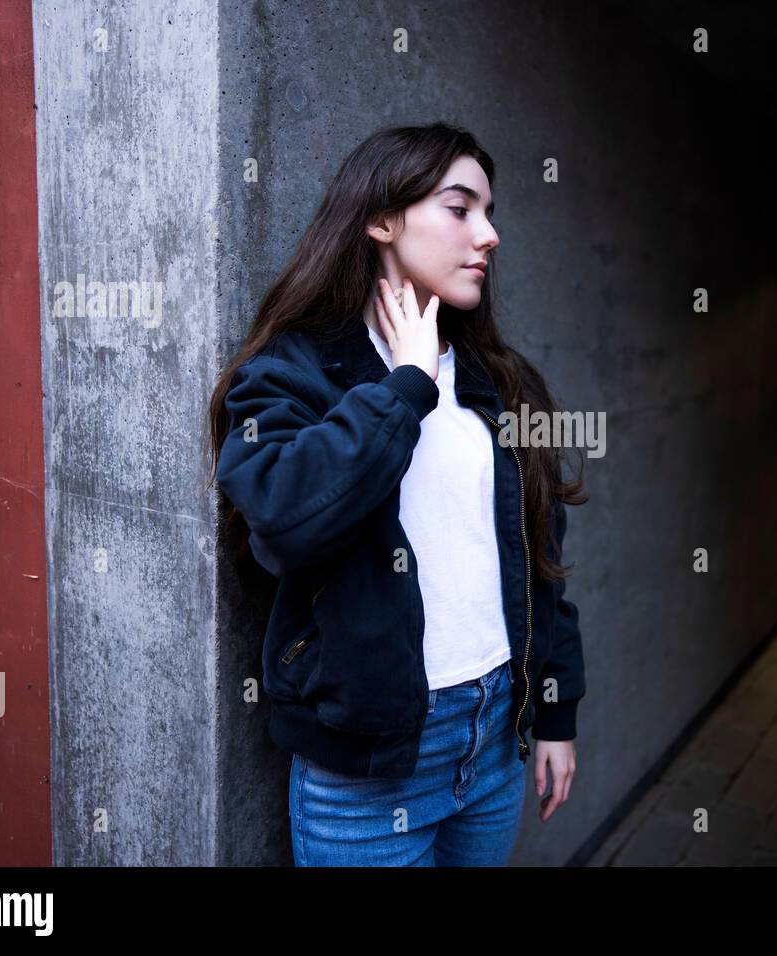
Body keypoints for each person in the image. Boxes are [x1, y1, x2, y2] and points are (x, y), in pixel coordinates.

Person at [206, 123, 587, 866]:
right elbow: (282, 521)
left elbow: (542, 561)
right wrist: (405, 387)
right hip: (370, 765)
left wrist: (556, 710)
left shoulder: (496, 381)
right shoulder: (298, 371)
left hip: (494, 733)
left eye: (489, 210)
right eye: (460, 207)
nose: (490, 234)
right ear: (381, 219)